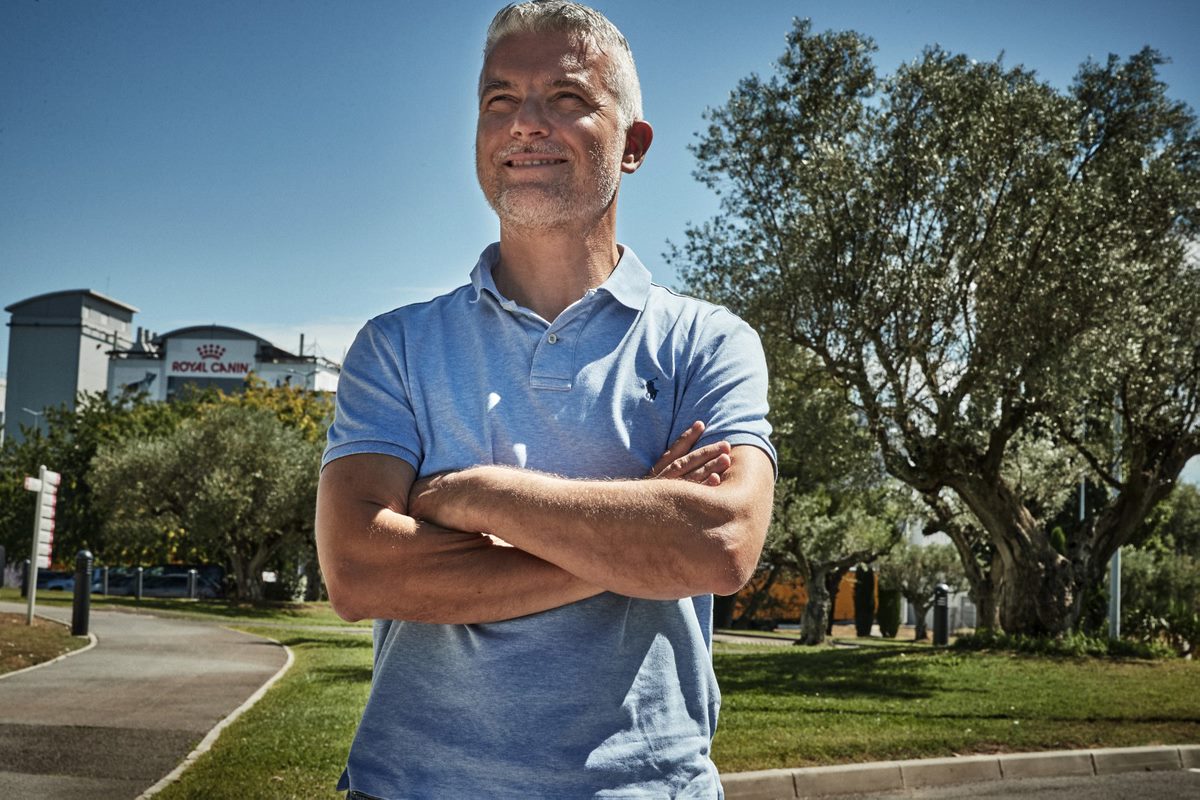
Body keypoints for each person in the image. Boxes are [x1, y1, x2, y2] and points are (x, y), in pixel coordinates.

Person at [315, 2, 776, 797]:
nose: (525, 124)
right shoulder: (394, 345)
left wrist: (478, 495)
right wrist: (636, 540)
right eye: (500, 101)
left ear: (633, 146)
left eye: (566, 99)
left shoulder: (708, 341)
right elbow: (358, 571)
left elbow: (721, 546)